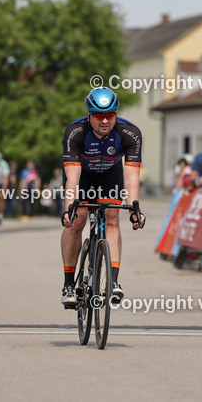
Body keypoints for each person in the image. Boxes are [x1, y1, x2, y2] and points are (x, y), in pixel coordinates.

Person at [60, 87, 145, 309]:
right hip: (82, 176)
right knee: (76, 220)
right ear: (89, 115)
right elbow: (72, 178)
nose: (105, 120)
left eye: (110, 115)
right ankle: (68, 284)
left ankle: (113, 281)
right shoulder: (75, 132)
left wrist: (135, 209)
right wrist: (69, 208)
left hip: (110, 175)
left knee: (112, 218)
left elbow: (131, 177)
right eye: (99, 116)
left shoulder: (130, 133)